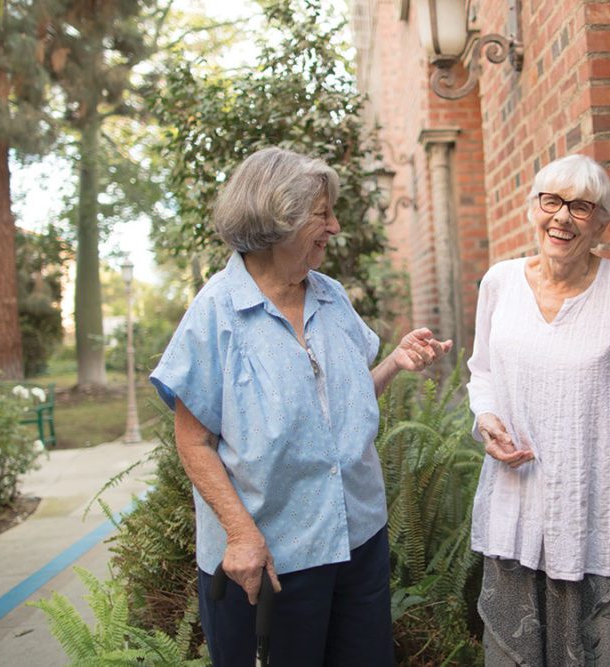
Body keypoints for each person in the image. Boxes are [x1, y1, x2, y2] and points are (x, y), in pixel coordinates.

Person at [150, 146, 451, 666]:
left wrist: (395, 363)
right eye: (322, 214)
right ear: (277, 218)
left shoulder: (331, 297)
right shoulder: (217, 313)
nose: (334, 227)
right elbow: (193, 439)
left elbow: (343, 402)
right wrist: (241, 536)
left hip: (358, 540)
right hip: (269, 560)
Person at [467, 154, 610, 666]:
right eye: (551, 201)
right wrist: (486, 420)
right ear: (532, 208)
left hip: (599, 497)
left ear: (602, 222)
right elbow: (483, 370)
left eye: (582, 207)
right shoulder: (499, 283)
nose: (562, 217)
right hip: (519, 495)